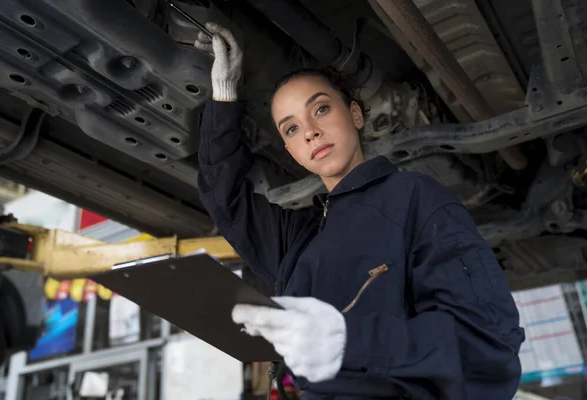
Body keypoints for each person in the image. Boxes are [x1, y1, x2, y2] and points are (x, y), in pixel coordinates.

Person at [195, 23, 525, 400]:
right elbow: (225, 199)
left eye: (320, 108)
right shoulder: (296, 242)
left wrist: (348, 342)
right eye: (290, 129)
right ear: (290, 152)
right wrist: (224, 93)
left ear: (355, 114)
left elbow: (486, 348)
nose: (310, 132)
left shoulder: (413, 197)